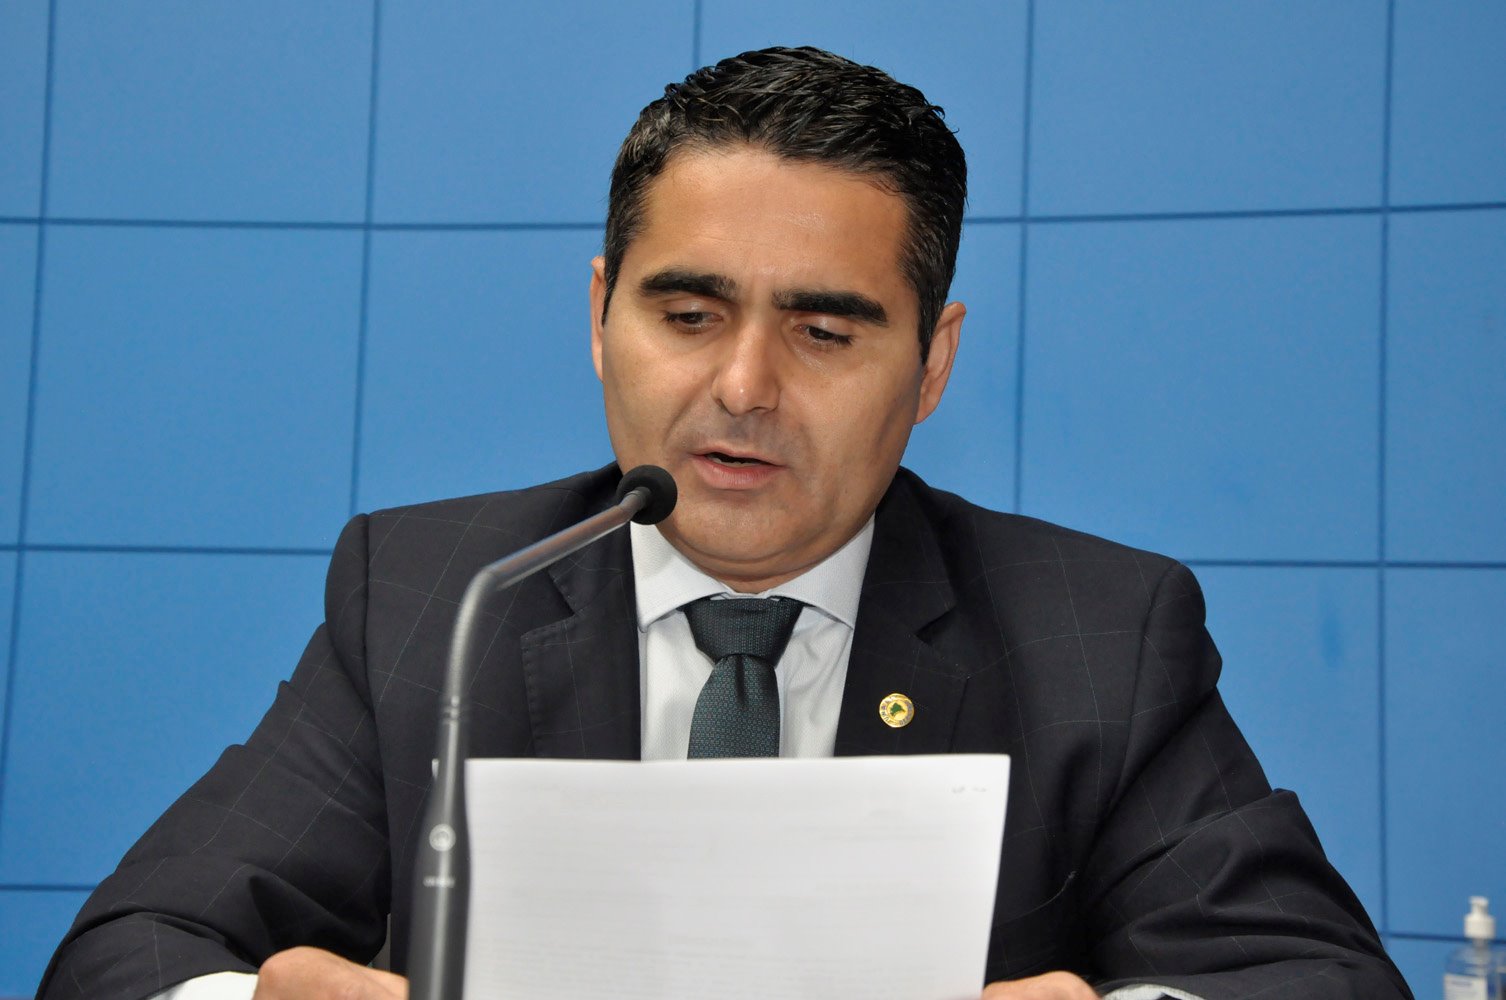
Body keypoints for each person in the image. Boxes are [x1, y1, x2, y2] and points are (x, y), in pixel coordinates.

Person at [39, 47, 1411, 1000]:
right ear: (600, 317)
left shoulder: (1099, 635)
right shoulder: (433, 596)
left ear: (931, 365)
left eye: (824, 331)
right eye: (687, 315)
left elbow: (1316, 978)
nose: (743, 387)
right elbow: (129, 953)